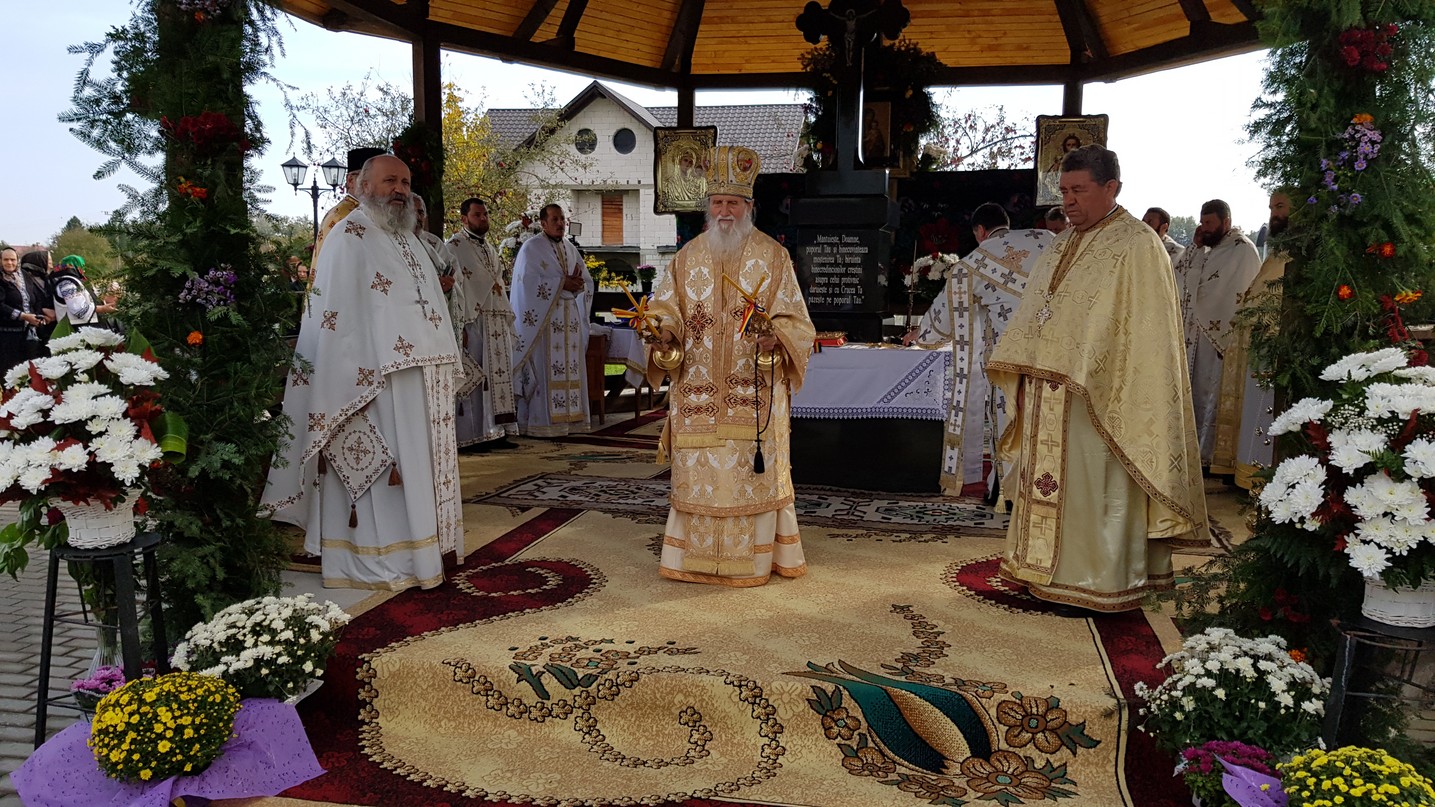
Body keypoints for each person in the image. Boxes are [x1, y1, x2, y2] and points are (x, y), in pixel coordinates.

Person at [988, 144, 1208, 613]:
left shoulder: (1137, 244)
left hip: (1104, 398)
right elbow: (1037, 315)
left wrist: (1093, 371)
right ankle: (1040, 570)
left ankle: (1095, 582)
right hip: (1049, 393)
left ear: (1112, 188)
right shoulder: (1062, 242)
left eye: (1079, 190)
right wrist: (1023, 374)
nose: (1068, 201)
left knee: (1093, 488)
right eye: (1064, 191)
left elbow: (1146, 336)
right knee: (1050, 486)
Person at [260, 154, 464, 592]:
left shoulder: (408, 237)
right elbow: (334, 320)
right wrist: (357, 381)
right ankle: (381, 562)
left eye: (405, 182)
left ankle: (425, 555)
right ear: (363, 185)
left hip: (422, 380)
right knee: (382, 475)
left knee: (420, 470)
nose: (400, 189)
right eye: (390, 180)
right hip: (374, 384)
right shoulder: (348, 236)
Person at [646, 145, 816, 587]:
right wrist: (664, 331)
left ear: (749, 206)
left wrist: (776, 335)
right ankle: (693, 561)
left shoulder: (773, 257)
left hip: (753, 392)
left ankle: (757, 561)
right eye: (718, 202)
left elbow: (798, 321)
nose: (724, 211)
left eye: (733, 203)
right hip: (698, 391)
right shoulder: (687, 257)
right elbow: (665, 308)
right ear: (709, 206)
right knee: (699, 473)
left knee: (749, 474)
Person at [903, 202, 1053, 497]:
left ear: (981, 231)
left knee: (1009, 420)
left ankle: (1008, 492)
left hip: (1009, 359)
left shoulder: (973, 264)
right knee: (1047, 423)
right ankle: (1048, 489)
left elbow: (942, 319)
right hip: (1055, 352)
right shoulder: (1045, 239)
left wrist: (920, 333)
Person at [1208, 190, 1292, 489]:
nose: (1274, 214)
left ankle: (1259, 480)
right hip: (1257, 345)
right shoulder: (1278, 254)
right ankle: (1246, 475)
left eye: (1280, 206)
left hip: (1275, 349)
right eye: (1271, 207)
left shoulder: (1300, 256)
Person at [1173, 199, 1262, 467]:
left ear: (1226, 222)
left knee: (1208, 394)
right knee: (1193, 392)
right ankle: (1188, 449)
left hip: (1219, 339)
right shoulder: (1207, 249)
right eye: (1202, 223)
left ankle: (1207, 454)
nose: (1204, 228)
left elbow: (1218, 292)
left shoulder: (1241, 250)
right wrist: (1195, 247)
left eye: (1209, 223)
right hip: (1194, 336)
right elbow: (1180, 277)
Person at [509, 203, 593, 437]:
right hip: (544, 322)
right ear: (543, 223)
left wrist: (579, 285)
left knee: (570, 368)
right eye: (554, 219)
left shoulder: (570, 248)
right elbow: (526, 283)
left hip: (569, 321)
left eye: (562, 219)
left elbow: (585, 280)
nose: (560, 224)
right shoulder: (531, 248)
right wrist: (562, 283)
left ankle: (571, 420)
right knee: (546, 370)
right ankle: (541, 424)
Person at [447, 196, 519, 450]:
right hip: (473, 321)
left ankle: (497, 431)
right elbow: (455, 289)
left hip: (495, 320)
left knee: (498, 377)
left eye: (485, 214)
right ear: (464, 218)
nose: (483, 219)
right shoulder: (454, 246)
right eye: (477, 215)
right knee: (476, 380)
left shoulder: (489, 247)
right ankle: (473, 436)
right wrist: (460, 325)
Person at [311, 147, 386, 263]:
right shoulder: (341, 216)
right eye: (369, 179)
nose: (377, 186)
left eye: (383, 180)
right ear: (350, 180)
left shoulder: (372, 212)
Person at [0, 248, 50, 374]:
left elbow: (36, 297)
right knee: (10, 371)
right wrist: (23, 316)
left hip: (29, 332)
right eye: (6, 260)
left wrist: (38, 315)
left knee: (32, 369)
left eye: (13, 260)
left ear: (17, 261)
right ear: (0, 261)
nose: (9, 263)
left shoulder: (24, 275)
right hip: (7, 333)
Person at [47, 254, 118, 331]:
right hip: (74, 331)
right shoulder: (67, 283)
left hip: (86, 329)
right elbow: (79, 310)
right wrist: (103, 309)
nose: (83, 269)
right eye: (82, 266)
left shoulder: (77, 281)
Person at [411, 193, 457, 295]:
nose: (417, 217)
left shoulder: (433, 243)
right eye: (412, 212)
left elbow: (452, 271)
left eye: (421, 212)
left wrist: (447, 286)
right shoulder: (390, 241)